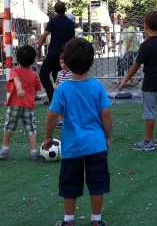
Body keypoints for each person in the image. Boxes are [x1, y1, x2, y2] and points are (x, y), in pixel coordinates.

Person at [43, 37, 112, 226]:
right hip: (96, 145)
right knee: (97, 184)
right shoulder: (97, 86)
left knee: (69, 185)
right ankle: (96, 220)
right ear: (91, 61)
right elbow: (106, 115)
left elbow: (52, 116)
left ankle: (69, 220)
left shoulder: (62, 89)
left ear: (67, 62)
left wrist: (48, 137)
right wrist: (108, 137)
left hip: (72, 146)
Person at [118, 11, 157, 151]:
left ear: (145, 26)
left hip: (150, 83)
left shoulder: (146, 45)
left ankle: (148, 141)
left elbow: (136, 65)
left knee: (149, 112)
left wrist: (125, 81)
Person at [0, 45, 43, 161]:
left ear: (16, 59)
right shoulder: (34, 75)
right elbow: (38, 88)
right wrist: (23, 89)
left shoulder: (14, 71)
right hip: (29, 106)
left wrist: (19, 89)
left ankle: (5, 148)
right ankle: (34, 151)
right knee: (31, 128)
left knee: (8, 126)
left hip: (14, 105)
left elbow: (16, 79)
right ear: (33, 61)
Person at [37, 2, 75, 105]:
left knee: (44, 74)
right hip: (64, 53)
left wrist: (39, 49)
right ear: (65, 9)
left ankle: (52, 97)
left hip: (53, 52)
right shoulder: (70, 23)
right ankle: (62, 98)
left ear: (55, 10)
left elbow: (44, 36)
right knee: (57, 75)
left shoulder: (53, 21)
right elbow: (73, 38)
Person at [53, 53, 72, 128]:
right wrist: (54, 85)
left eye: (65, 62)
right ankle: (61, 122)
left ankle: (69, 120)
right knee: (61, 109)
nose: (63, 64)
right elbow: (57, 81)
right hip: (61, 94)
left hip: (69, 94)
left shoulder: (72, 73)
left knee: (69, 108)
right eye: (61, 63)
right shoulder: (59, 73)